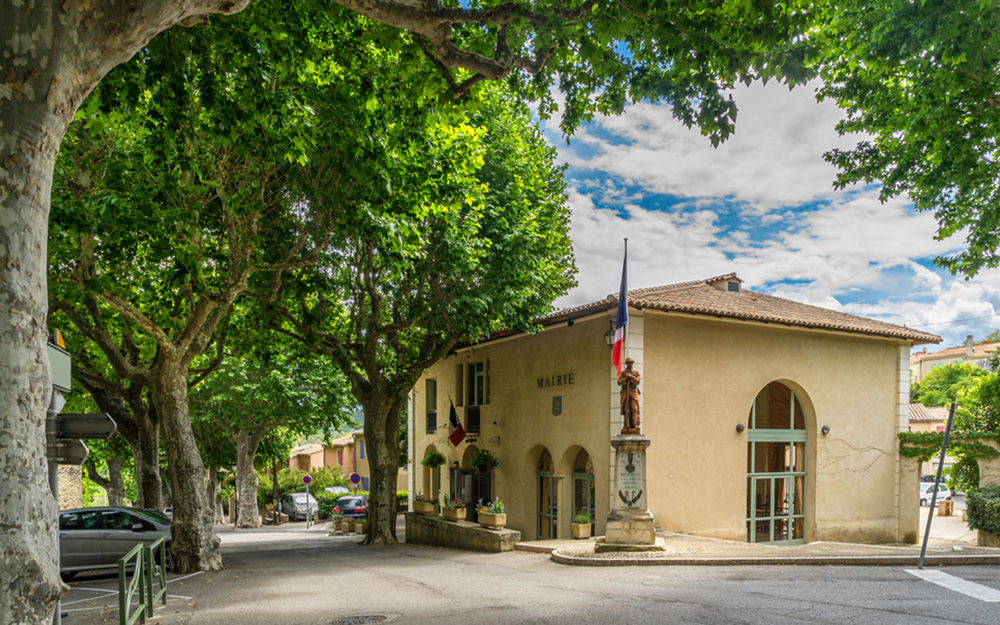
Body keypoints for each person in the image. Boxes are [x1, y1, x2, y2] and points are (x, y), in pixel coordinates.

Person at [618, 357, 641, 433]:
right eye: (628, 363)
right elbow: (619, 382)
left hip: (633, 391)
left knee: (634, 408)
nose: (630, 364)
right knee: (626, 410)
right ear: (626, 364)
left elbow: (637, 381)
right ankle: (627, 425)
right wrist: (625, 379)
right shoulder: (623, 372)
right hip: (625, 391)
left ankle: (634, 425)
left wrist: (630, 377)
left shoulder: (636, 372)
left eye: (631, 362)